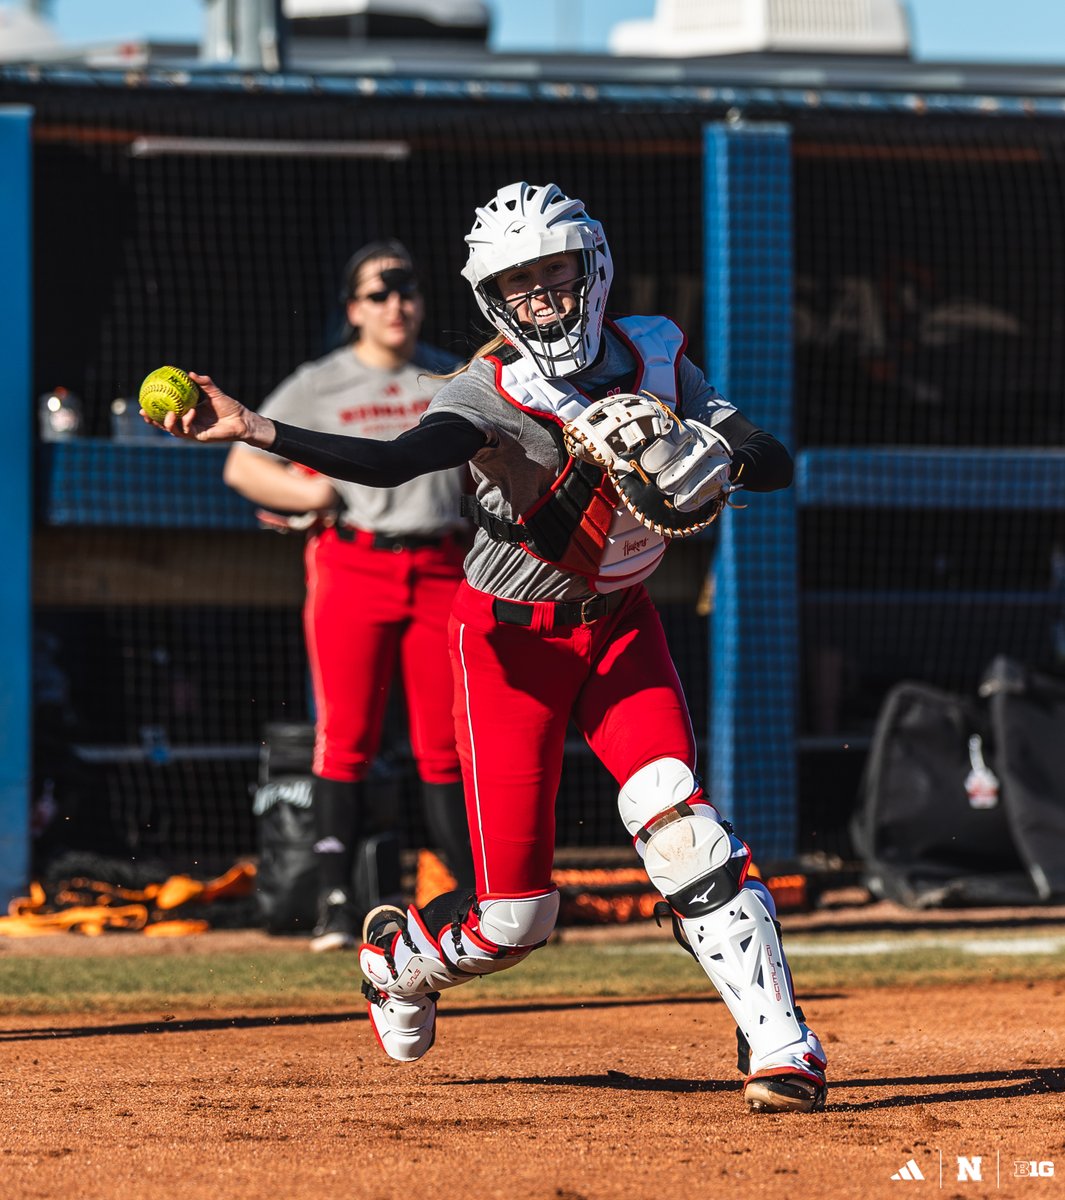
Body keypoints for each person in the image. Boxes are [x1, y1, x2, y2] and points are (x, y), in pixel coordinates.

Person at [147, 182, 828, 1113]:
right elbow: (391, 462)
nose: (542, 299)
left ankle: (781, 1045)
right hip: (507, 648)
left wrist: (714, 447)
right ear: (492, 300)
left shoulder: (658, 349)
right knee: (516, 919)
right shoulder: (488, 388)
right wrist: (255, 428)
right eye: (520, 285)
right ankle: (398, 960)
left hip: (619, 629)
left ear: (593, 269)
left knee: (685, 827)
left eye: (555, 274)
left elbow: (772, 456)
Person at [222, 239, 475, 952]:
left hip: (441, 565)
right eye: (379, 291)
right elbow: (244, 464)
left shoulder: (450, 377)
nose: (397, 303)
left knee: (444, 742)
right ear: (352, 309)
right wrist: (310, 490)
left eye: (408, 289)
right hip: (353, 565)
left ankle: (476, 897)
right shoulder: (319, 381)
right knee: (347, 735)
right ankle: (337, 900)